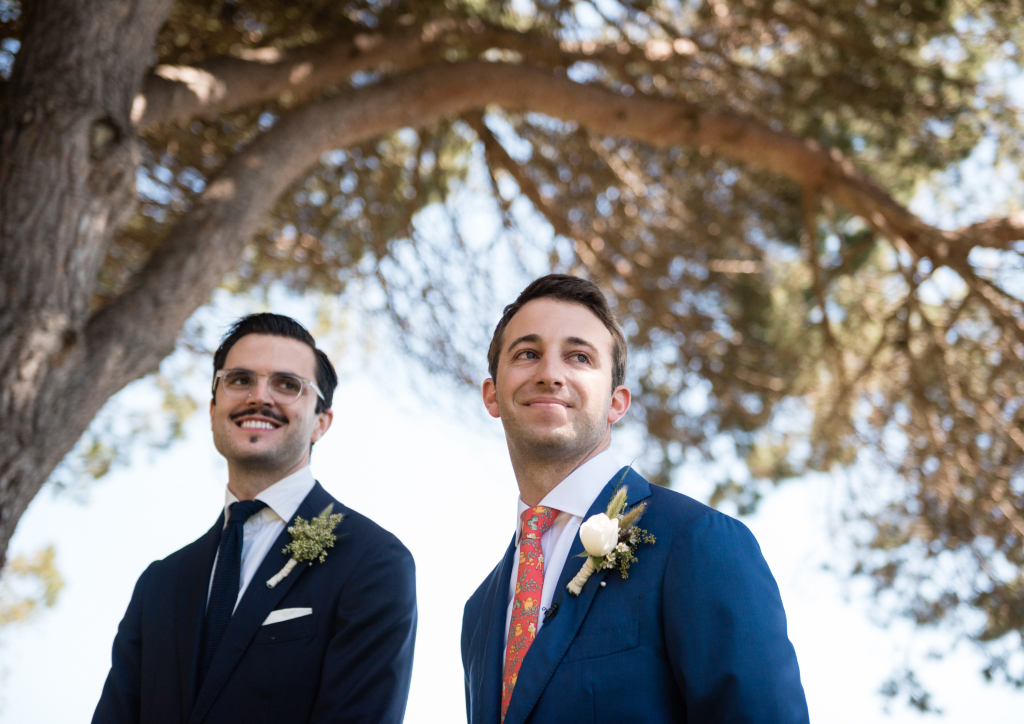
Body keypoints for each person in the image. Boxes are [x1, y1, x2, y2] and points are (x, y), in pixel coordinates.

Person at [461, 275, 809, 724]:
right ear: (492, 394)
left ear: (616, 403)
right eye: (527, 354)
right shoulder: (480, 610)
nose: (549, 373)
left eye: (579, 357)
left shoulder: (694, 541)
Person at [93, 313, 417, 724]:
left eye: (287, 385)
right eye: (240, 380)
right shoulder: (159, 584)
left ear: (321, 422)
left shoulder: (371, 560)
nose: (259, 396)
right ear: (213, 410)